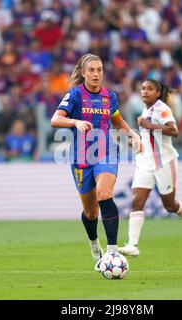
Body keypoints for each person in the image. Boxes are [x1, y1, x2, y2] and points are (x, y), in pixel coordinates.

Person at [51, 53, 143, 270]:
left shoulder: (109, 97)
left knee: (104, 194)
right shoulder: (74, 95)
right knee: (91, 212)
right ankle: (93, 241)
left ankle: (112, 254)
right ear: (83, 73)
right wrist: (75, 122)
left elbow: (117, 120)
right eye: (91, 70)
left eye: (99, 70)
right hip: (81, 158)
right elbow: (56, 119)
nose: (95, 74)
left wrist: (133, 136)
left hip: (106, 153)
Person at [119, 79, 182, 257]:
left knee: (170, 205)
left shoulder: (162, 109)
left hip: (164, 162)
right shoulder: (145, 110)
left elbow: (174, 131)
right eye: (143, 88)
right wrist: (133, 143)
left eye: (149, 89)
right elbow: (148, 141)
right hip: (145, 162)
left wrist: (149, 125)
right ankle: (133, 245)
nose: (144, 91)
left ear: (158, 93)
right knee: (137, 201)